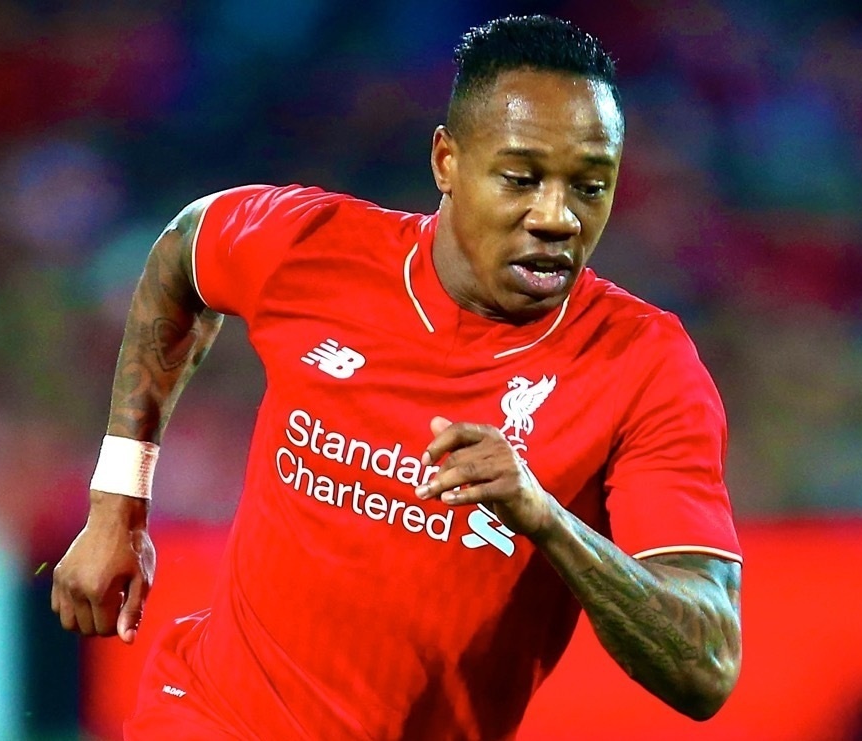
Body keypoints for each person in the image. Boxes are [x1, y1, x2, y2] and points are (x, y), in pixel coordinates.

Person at [51, 14, 743, 740]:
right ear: (447, 161)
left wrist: (546, 518)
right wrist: (118, 501)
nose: (556, 216)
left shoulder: (644, 366)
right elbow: (183, 251)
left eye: (590, 187)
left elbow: (707, 666)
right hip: (214, 716)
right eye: (521, 179)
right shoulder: (315, 249)